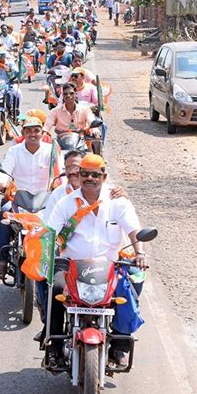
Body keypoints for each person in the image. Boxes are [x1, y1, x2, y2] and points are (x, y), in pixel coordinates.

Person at [44, 154, 147, 366]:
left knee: (130, 288)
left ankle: (119, 345)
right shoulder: (66, 203)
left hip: (108, 266)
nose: (89, 178)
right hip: (71, 264)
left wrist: (140, 252)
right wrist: (47, 250)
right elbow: (50, 232)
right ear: (79, 176)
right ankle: (53, 346)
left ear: (104, 176)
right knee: (54, 290)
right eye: (84, 174)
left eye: (94, 174)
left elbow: (133, 230)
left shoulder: (118, 201)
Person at [0, 117, 63, 279]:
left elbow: (60, 172)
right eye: (28, 130)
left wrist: (62, 186)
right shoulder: (14, 151)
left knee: (60, 222)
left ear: (41, 132)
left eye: (36, 130)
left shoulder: (51, 150)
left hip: (44, 200)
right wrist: (1, 183)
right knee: (4, 212)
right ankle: (2, 261)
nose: (33, 134)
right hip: (19, 198)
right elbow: (5, 169)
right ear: (23, 133)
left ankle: (58, 258)